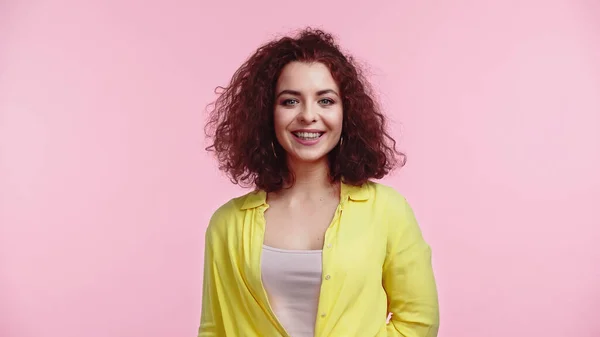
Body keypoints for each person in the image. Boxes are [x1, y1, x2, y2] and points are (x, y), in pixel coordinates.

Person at [199, 28, 439, 337]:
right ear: (266, 114)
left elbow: (418, 321)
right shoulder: (226, 224)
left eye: (325, 100)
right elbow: (214, 329)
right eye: (290, 102)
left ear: (346, 113)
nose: (308, 116)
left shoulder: (387, 210)